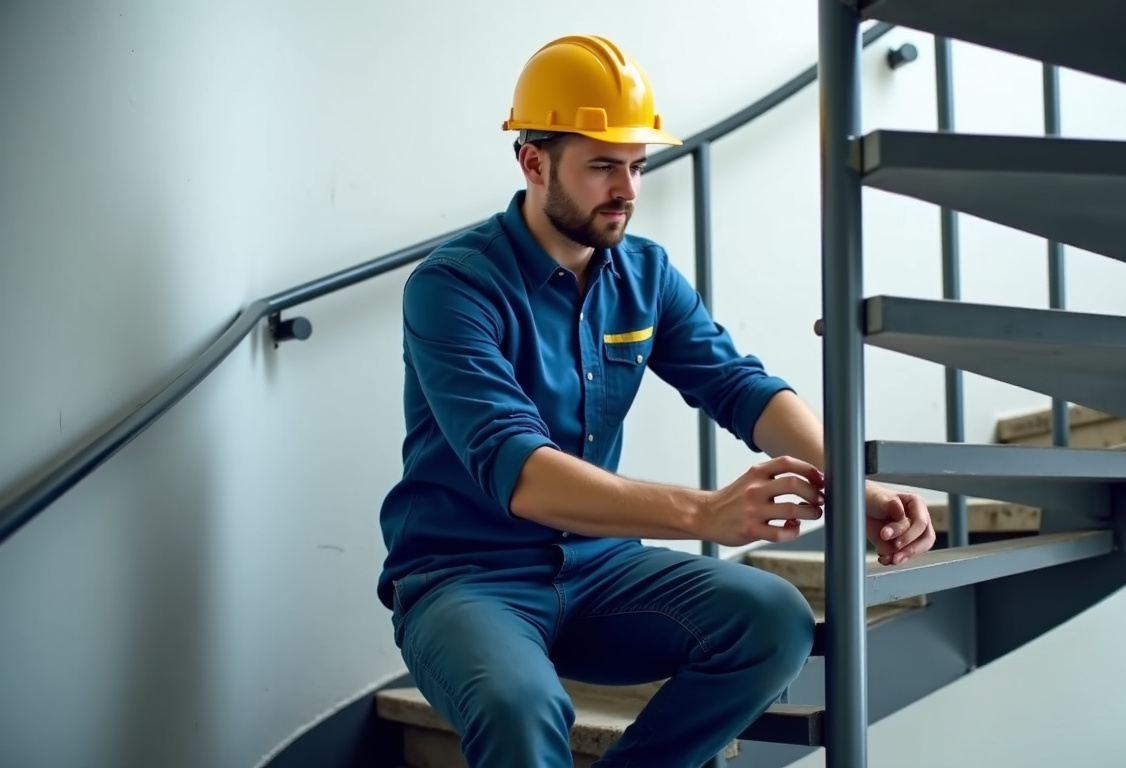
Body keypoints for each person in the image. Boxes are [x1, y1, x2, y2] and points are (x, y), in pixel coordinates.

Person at [377, 34, 936, 768]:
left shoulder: (644, 273)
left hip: (601, 573)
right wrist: (703, 513)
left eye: (638, 165)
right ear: (534, 160)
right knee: (523, 707)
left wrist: (855, 488)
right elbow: (521, 471)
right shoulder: (453, 287)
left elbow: (741, 387)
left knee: (772, 620)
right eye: (603, 166)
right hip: (467, 579)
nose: (628, 190)